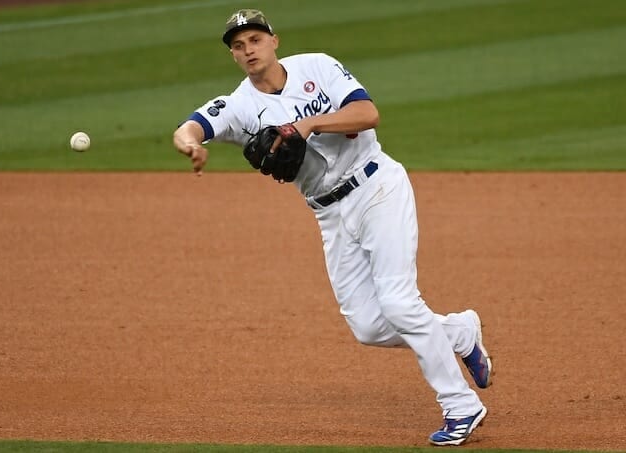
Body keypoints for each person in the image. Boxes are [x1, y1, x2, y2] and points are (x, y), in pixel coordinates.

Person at [173, 9, 493, 446]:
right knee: (369, 327)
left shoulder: (318, 67)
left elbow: (367, 113)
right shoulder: (239, 107)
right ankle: (458, 332)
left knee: (399, 302)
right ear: (233, 55)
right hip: (330, 214)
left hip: (377, 187)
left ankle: (460, 405)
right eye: (238, 45)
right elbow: (190, 127)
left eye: (255, 39)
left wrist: (308, 124)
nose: (248, 50)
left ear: (274, 41)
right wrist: (191, 145)